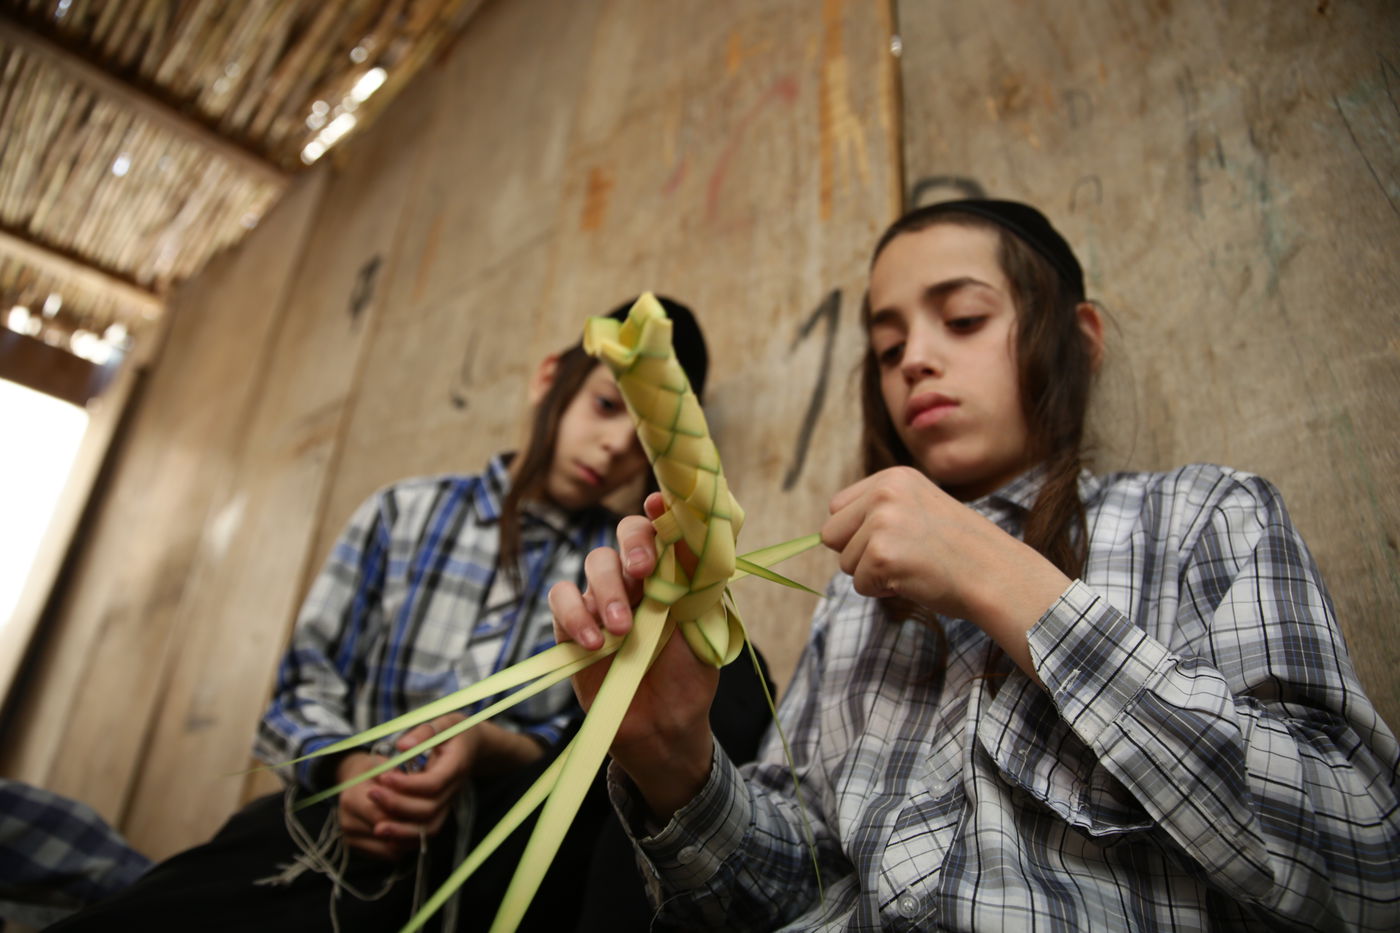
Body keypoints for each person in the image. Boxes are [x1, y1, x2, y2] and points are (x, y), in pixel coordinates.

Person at [551, 201, 1400, 931]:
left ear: (1079, 337)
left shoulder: (1203, 516)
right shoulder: (853, 603)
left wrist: (1004, 579)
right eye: (887, 349)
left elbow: (1369, 858)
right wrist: (674, 766)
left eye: (961, 319)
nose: (915, 358)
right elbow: (786, 888)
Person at [52, 297, 773, 932]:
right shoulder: (403, 511)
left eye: (642, 436)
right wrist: (345, 766)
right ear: (549, 377)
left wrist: (491, 746)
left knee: (732, 669)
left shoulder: (622, 573)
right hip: (324, 830)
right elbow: (304, 685)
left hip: (481, 857)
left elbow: (588, 751)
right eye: (607, 405)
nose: (617, 444)